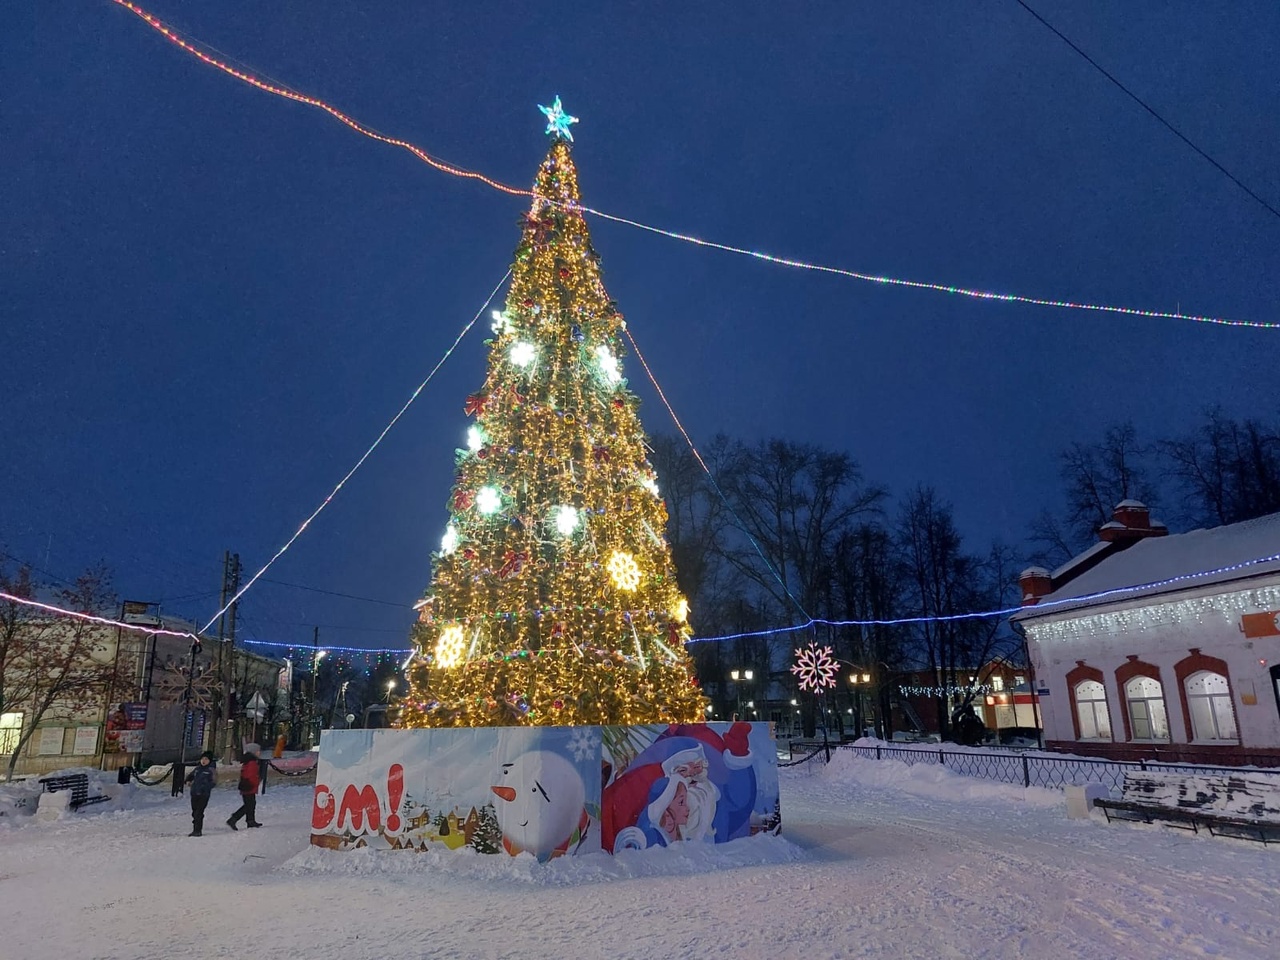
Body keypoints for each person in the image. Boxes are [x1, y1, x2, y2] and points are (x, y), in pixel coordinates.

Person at [226, 743, 262, 830]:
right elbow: (251, 775)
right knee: (249, 805)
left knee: (251, 804)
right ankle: (234, 819)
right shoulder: (252, 762)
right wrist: (255, 783)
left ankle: (250, 820)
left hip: (247, 786)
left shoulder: (248, 761)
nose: (259, 753)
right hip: (249, 786)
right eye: (258, 751)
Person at [184, 751, 217, 836]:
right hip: (194, 793)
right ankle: (196, 825)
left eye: (206, 759)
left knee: (199, 812)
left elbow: (213, 782)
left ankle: (197, 830)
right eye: (202, 759)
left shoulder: (211, 770)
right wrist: (188, 781)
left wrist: (205, 788)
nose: (203, 761)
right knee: (194, 812)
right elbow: (190, 776)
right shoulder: (197, 769)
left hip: (203, 795)